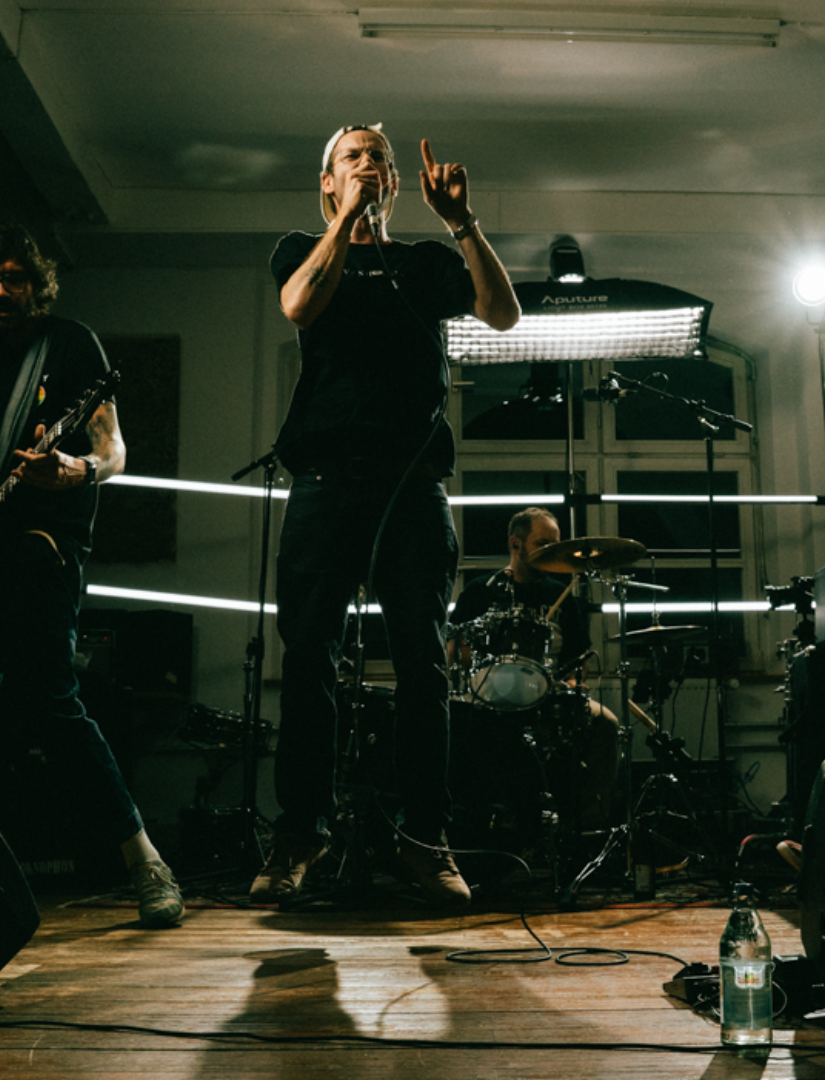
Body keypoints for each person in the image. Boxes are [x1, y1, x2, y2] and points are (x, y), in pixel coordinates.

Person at [252, 124, 519, 907]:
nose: (370, 165)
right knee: (309, 659)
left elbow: (502, 315)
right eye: (355, 157)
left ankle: (424, 837)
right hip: (326, 482)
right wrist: (345, 223)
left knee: (423, 668)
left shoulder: (424, 264)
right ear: (328, 181)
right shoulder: (301, 249)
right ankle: (301, 834)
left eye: (382, 160)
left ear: (399, 184)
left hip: (412, 486)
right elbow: (300, 306)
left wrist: (461, 223)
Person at [0, 222, 183, 928]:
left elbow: (114, 449)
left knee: (52, 701)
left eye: (14, 277)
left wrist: (76, 468)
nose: (0, 291)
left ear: (37, 282)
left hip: (42, 547)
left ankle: (146, 863)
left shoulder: (72, 345)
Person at [449, 507, 619, 827]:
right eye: (543, 544)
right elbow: (454, 650)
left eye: (555, 544)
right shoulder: (481, 590)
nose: (552, 551)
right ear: (516, 544)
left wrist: (573, 684)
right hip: (486, 696)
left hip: (548, 696)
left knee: (607, 723)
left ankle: (588, 828)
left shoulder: (560, 594)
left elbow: (578, 659)